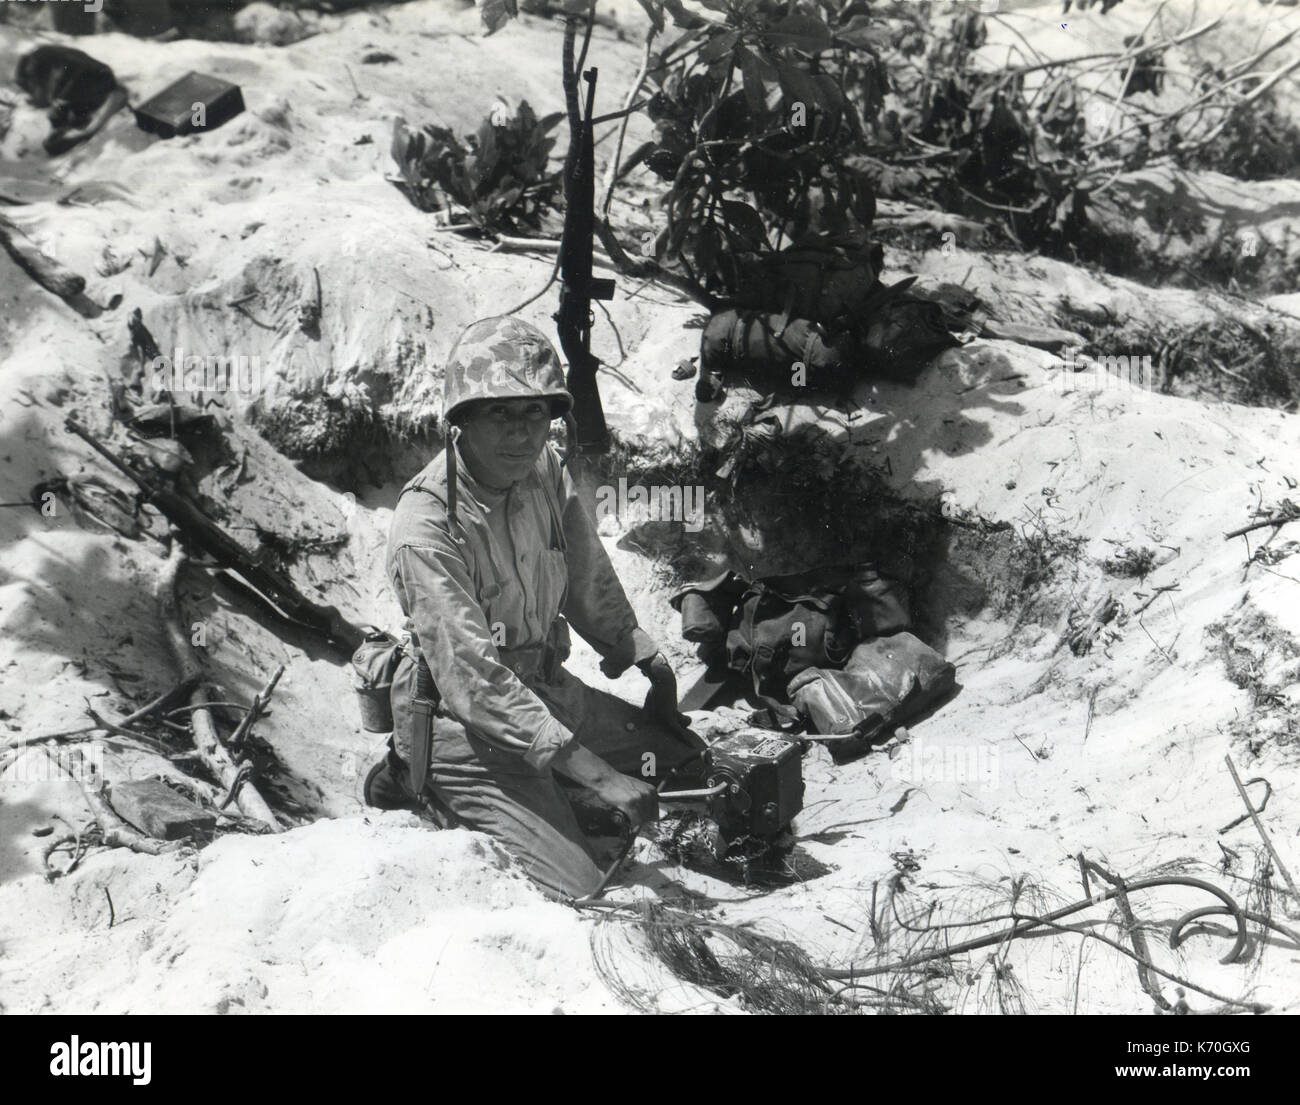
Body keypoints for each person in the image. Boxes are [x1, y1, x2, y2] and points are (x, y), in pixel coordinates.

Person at [366, 316, 705, 899]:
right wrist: (601, 776)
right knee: (583, 887)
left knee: (683, 763)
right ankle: (415, 777)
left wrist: (643, 655)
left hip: (545, 689)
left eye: (534, 413)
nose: (521, 434)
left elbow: (584, 574)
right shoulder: (426, 527)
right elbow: (473, 682)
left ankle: (559, 787)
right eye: (499, 412)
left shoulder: (543, 469)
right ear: (461, 418)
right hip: (464, 727)